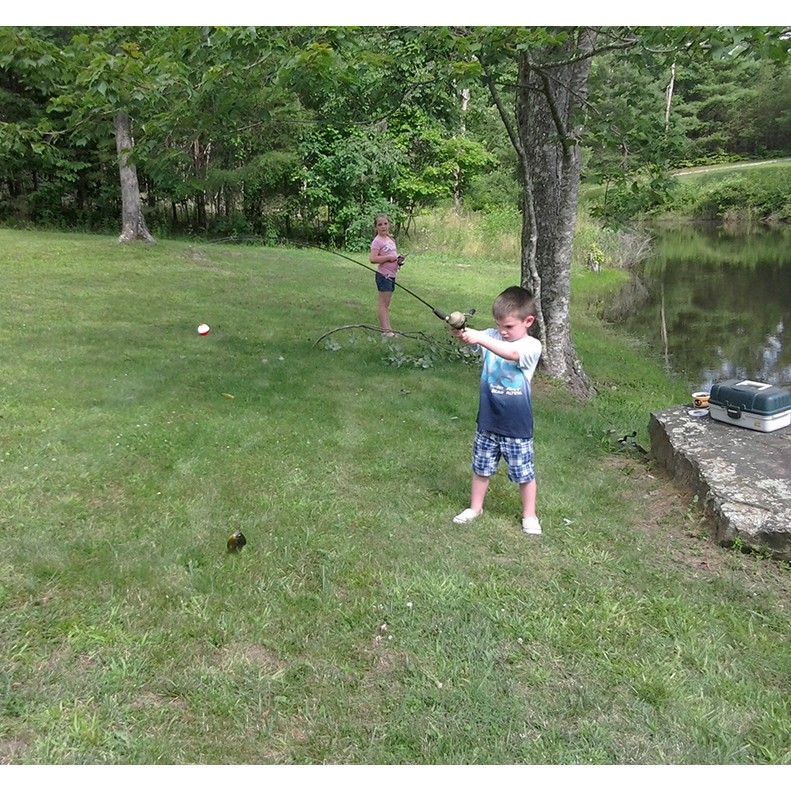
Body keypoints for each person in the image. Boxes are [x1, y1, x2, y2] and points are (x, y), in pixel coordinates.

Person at [451, 286, 543, 535]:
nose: (502, 332)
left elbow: (511, 354)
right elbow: (472, 338)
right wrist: (459, 330)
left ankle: (529, 515)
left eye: (509, 327)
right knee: (481, 468)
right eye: (498, 325)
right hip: (488, 420)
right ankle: (475, 508)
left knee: (524, 473)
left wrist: (481, 338)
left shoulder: (531, 346)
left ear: (528, 321)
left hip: (517, 425)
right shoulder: (492, 335)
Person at [369, 214, 405, 337]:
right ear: (376, 228)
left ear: (389, 225)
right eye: (380, 224)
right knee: (383, 304)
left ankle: (388, 330)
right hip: (383, 275)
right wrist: (388, 258)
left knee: (387, 304)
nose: (383, 226)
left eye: (385, 223)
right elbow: (373, 259)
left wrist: (398, 261)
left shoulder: (390, 240)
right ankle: (385, 331)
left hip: (392, 275)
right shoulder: (377, 241)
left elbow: (393, 258)